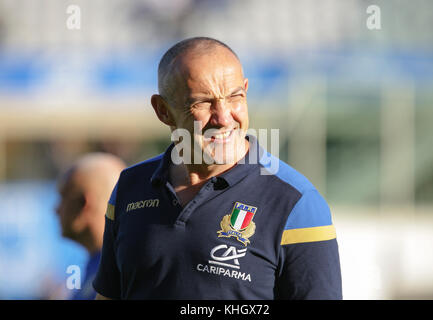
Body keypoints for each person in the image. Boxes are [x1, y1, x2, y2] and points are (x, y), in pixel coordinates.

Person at [93, 37, 342, 300]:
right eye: (202, 102)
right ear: (163, 111)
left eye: (235, 97)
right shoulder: (131, 186)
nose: (223, 118)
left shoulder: (296, 202)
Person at [56, 152, 125, 299]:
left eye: (63, 197)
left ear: (85, 203)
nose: (56, 209)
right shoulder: (99, 267)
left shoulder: (120, 272)